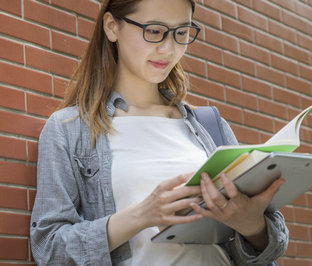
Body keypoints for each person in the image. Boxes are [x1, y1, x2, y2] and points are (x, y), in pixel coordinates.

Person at [30, 0, 289, 265]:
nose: (168, 48)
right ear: (111, 27)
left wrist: (252, 225)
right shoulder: (69, 129)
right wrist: (142, 215)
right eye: (154, 31)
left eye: (181, 33)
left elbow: (273, 243)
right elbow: (49, 248)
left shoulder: (210, 126)